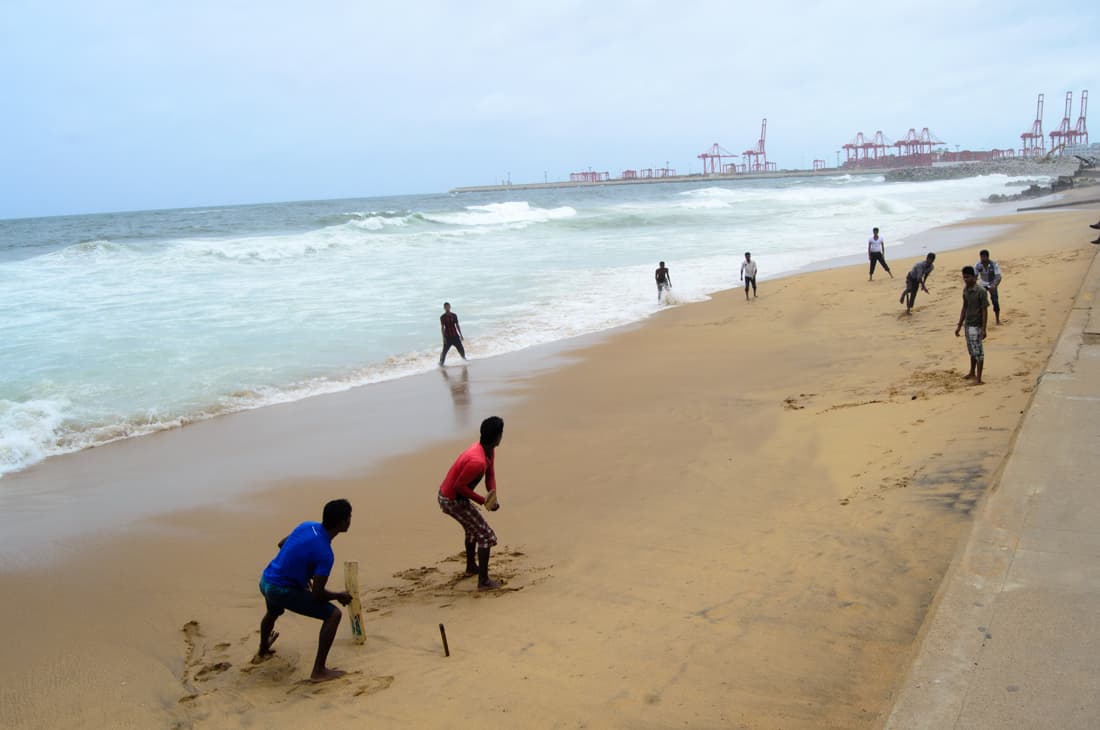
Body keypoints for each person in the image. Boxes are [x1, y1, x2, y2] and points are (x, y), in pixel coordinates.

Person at [256, 499, 354, 683]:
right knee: (333, 615)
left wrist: (301, 573)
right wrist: (338, 596)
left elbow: (282, 544)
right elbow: (317, 594)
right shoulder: (325, 554)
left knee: (273, 612)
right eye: (349, 517)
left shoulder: (307, 526)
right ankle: (319, 671)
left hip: (266, 580)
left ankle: (263, 649)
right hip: (281, 590)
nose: (350, 520)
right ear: (342, 523)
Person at [437, 416, 504, 591]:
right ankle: (483, 581)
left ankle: (471, 567)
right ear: (497, 437)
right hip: (451, 499)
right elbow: (458, 486)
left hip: (455, 496)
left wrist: (492, 497)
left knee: (472, 529)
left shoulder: (488, 450)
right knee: (486, 536)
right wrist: (483, 501)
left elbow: (490, 475)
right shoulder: (477, 461)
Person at [955, 266, 989, 385]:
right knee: (971, 350)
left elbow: (984, 310)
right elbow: (964, 307)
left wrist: (984, 328)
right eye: (964, 277)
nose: (966, 279)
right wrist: (959, 325)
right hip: (968, 324)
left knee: (978, 352)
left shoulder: (981, 291)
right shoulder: (965, 290)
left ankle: (979, 378)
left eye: (968, 277)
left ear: (974, 277)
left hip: (977, 325)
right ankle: (972, 372)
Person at [974, 249, 1003, 325]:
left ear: (987, 257)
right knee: (980, 302)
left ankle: (997, 320)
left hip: (992, 283)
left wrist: (994, 285)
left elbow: (998, 277)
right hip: (983, 284)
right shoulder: (978, 265)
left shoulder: (994, 264)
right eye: (981, 257)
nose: (982, 259)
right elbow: (975, 276)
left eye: (984, 257)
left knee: (995, 301)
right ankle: (980, 320)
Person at [439, 302, 466, 366]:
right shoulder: (442, 317)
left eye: (448, 306)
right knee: (444, 351)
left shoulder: (454, 315)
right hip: (447, 337)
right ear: (444, 308)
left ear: (450, 307)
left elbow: (457, 325)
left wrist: (461, 335)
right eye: (446, 307)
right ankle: (441, 364)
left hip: (455, 336)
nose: (447, 308)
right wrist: (443, 338)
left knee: (461, 349)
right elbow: (442, 328)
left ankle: (464, 360)